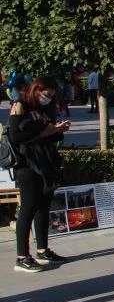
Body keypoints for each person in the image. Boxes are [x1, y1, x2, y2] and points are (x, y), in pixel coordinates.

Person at [8, 77, 71, 272]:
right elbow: (15, 136)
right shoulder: (20, 105)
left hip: (45, 162)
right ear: (36, 90)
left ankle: (43, 250)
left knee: (44, 207)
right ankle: (22, 257)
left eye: (51, 96)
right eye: (46, 95)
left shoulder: (47, 108)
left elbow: (50, 133)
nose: (48, 99)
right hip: (27, 164)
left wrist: (58, 130)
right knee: (28, 208)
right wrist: (44, 132)